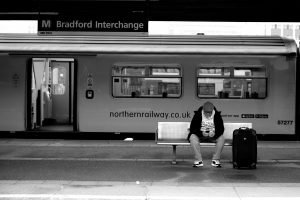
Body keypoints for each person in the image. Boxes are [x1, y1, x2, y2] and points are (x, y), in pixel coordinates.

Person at [187, 101, 225, 168]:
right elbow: (192, 128)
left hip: (213, 135)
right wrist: (201, 133)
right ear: (203, 110)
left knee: (221, 138)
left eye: (210, 113)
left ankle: (215, 160)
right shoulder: (198, 114)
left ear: (212, 110)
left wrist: (214, 134)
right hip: (201, 135)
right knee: (192, 137)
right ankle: (198, 160)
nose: (208, 114)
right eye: (206, 113)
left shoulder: (217, 115)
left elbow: (221, 129)